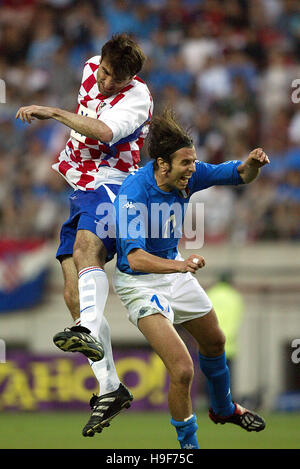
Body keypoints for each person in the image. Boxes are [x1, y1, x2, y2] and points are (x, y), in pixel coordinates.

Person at [16, 34, 153, 437]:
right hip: (82, 187)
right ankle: (111, 387)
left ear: (132, 77)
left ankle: (89, 330)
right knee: (72, 291)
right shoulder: (92, 64)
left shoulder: (138, 97)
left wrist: (53, 113)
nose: (107, 81)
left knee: (85, 248)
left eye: (117, 78)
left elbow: (103, 133)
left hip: (116, 183)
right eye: (107, 72)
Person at [113, 109, 268, 449]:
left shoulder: (189, 174)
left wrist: (253, 164)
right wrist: (181, 268)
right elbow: (134, 258)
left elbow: (240, 173)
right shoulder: (133, 193)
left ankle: (224, 409)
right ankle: (189, 448)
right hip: (139, 282)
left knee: (215, 341)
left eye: (194, 162)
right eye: (186, 163)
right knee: (182, 369)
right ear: (162, 164)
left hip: (172, 268)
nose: (193, 169)